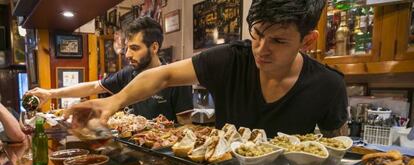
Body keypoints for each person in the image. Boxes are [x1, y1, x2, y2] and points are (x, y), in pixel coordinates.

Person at [68, 0, 348, 137]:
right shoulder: (232, 59)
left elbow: (337, 148)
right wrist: (113, 102)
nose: (262, 48)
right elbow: (162, 75)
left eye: (278, 40)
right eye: (258, 34)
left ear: (307, 41)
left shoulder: (328, 85)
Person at [25, 17, 193, 123]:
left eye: (135, 48)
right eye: (127, 48)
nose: (127, 54)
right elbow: (92, 87)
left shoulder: (176, 79)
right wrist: (50, 93)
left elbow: (186, 127)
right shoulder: (129, 73)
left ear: (154, 47)